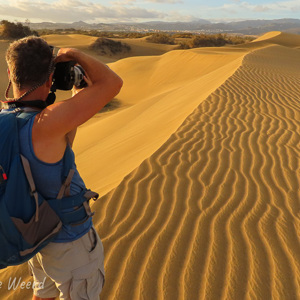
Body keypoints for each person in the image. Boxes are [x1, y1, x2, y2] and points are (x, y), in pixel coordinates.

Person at [3, 36, 123, 299]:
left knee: (42, 293)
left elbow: (65, 137)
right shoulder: (48, 124)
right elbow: (113, 83)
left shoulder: (7, 122)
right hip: (68, 241)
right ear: (50, 79)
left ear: (10, 73)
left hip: (32, 233)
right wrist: (73, 53)